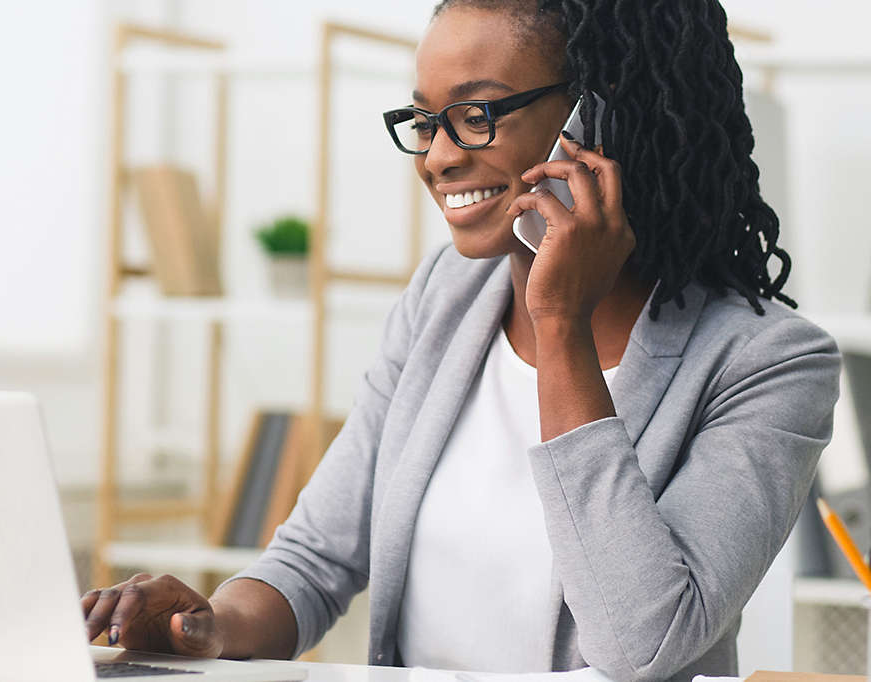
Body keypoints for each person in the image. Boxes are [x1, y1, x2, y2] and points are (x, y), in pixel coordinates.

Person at [82, 1, 842, 680]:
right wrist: (207, 629)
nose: (439, 156)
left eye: (478, 114)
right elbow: (314, 560)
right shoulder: (444, 297)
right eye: (424, 120)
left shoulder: (769, 365)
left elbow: (642, 644)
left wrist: (560, 325)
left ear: (602, 118)